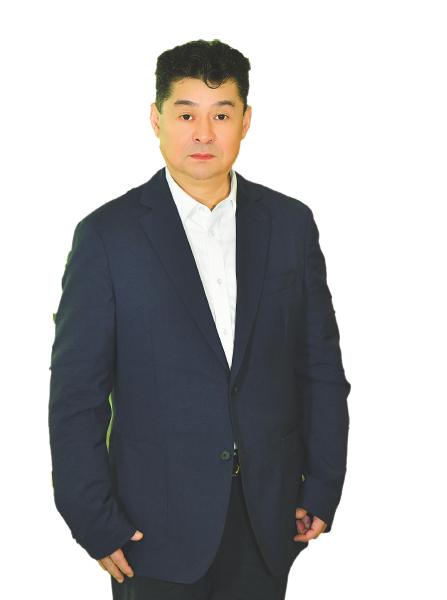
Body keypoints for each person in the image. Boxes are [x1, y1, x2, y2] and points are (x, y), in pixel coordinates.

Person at [48, 38, 351, 600]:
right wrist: (93, 518)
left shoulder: (290, 225)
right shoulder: (107, 237)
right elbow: (76, 395)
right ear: (156, 119)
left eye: (221, 115)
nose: (204, 134)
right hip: (150, 531)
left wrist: (322, 485)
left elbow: (321, 370)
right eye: (186, 114)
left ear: (246, 121)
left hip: (269, 519)